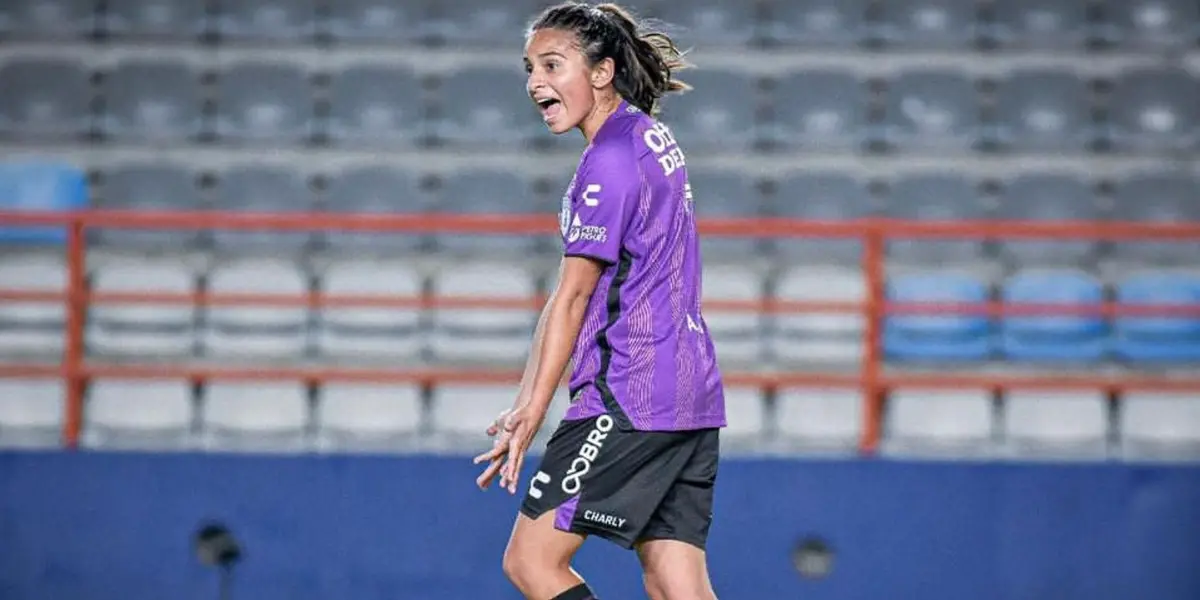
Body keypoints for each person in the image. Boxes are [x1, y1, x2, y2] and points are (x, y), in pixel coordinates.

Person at [473, 3, 726, 599]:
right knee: (675, 583)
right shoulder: (650, 136)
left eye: (553, 64)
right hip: (690, 389)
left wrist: (531, 414)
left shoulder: (606, 164)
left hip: (629, 392)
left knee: (532, 563)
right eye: (530, 67)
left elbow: (574, 297)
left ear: (602, 71)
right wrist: (527, 399)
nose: (536, 81)